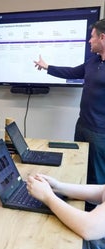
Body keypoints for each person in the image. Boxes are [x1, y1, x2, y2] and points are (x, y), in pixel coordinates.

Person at [34, 18, 105, 186]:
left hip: (100, 132)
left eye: (92, 36)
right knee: (77, 167)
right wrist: (48, 67)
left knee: (96, 176)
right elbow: (72, 72)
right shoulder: (93, 61)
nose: (89, 40)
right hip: (82, 125)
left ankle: (93, 211)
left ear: (102, 37)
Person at [27, 173, 105, 249]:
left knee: (28, 244)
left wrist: (48, 197)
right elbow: (102, 191)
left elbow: (89, 228)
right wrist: (58, 186)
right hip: (96, 246)